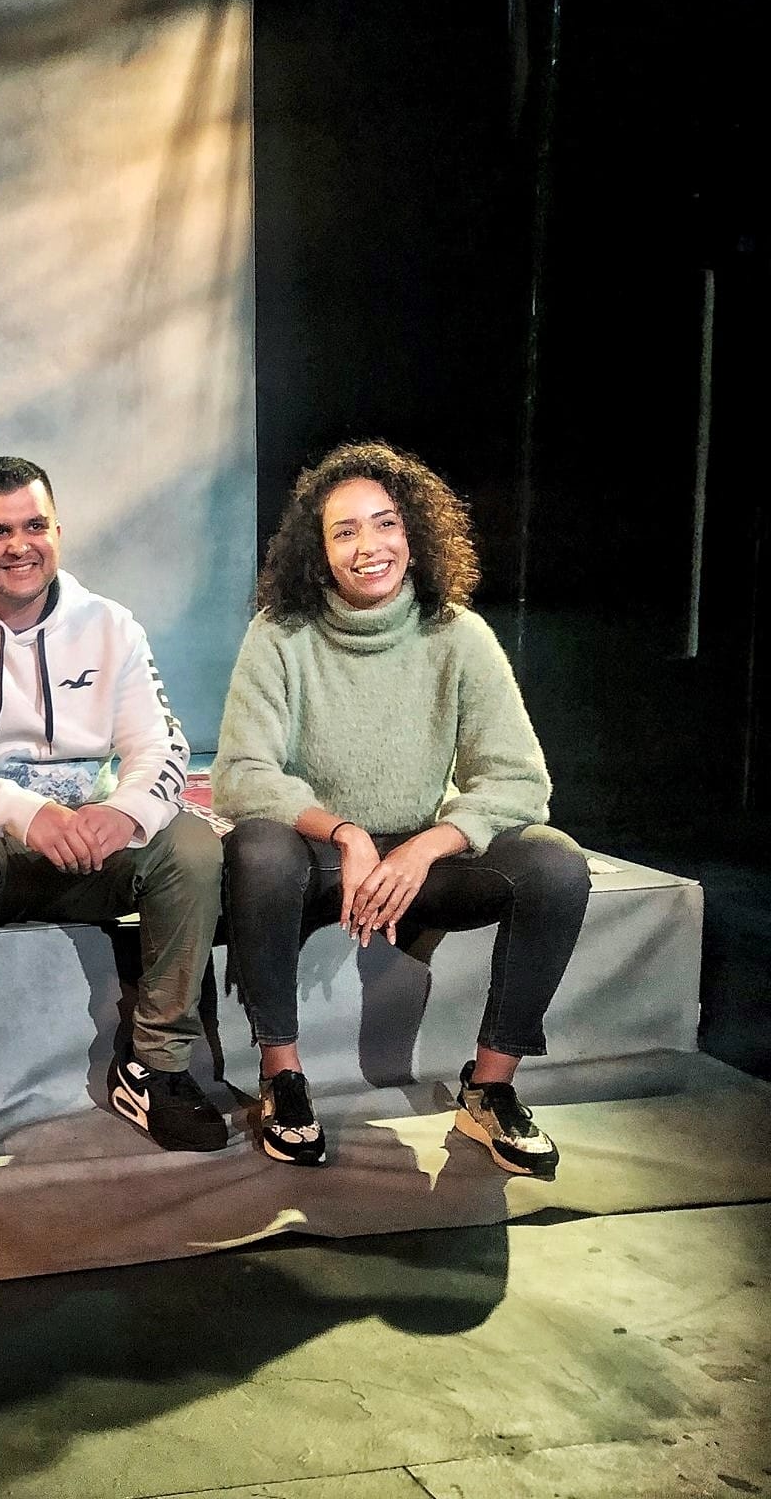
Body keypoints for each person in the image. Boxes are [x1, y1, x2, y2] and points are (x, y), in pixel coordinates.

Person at [214, 440, 589, 1177]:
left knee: (554, 863)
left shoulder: (459, 635)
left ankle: (490, 1089)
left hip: (422, 858)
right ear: (319, 554)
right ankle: (283, 1078)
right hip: (319, 857)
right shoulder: (279, 636)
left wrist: (427, 846)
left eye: (384, 524)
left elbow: (518, 781)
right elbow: (241, 776)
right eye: (344, 531)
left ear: (413, 536)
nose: (368, 547)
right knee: (257, 847)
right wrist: (347, 834)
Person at [0, 456, 228, 1169]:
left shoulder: (111, 625)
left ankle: (156, 1068)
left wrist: (126, 815)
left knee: (191, 848)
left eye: (34, 525)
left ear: (57, 532)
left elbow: (161, 745)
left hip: (90, 849)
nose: (19, 545)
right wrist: (29, 814)